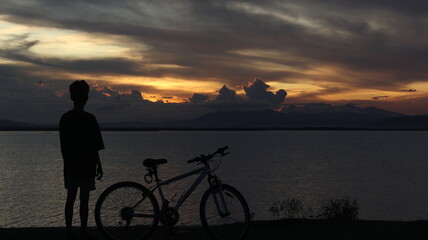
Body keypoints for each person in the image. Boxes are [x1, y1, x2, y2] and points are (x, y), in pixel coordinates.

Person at [59, 80, 104, 239]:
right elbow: (95, 146)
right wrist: (99, 165)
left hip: (71, 165)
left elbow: (63, 146)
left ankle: (69, 231)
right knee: (84, 199)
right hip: (87, 165)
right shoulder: (90, 119)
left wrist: (68, 162)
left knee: (70, 198)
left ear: (71, 97)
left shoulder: (65, 118)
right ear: (86, 98)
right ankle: (83, 231)